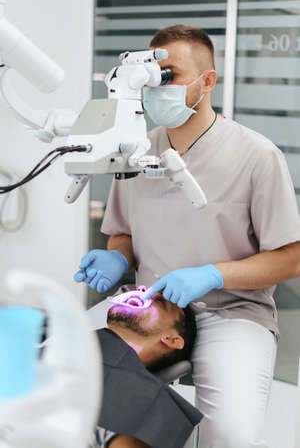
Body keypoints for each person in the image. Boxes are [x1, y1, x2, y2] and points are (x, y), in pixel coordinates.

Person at [75, 25, 300, 447]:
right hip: (146, 307)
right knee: (56, 380)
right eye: (152, 77)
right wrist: (117, 258)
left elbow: (291, 258)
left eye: (170, 76)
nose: (156, 88)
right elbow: (121, 232)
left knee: (232, 434)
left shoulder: (256, 155)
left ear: (208, 81)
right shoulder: (137, 149)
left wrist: (214, 274)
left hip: (232, 312)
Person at [93, 289, 202, 448]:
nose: (143, 293)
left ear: (171, 339)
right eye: (139, 290)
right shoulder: (61, 338)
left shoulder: (150, 403)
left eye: (160, 302)